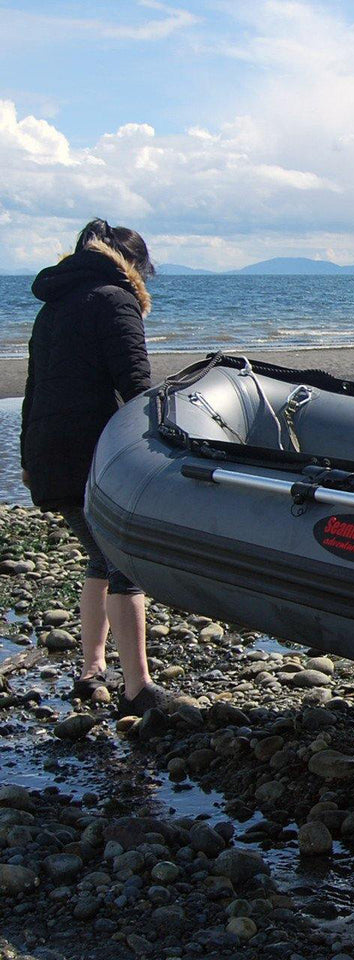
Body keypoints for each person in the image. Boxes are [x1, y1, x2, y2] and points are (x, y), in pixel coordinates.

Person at [21, 218, 168, 715]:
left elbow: (34, 390)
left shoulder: (54, 305)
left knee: (99, 558)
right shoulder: (114, 300)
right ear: (133, 265)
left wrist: (27, 460)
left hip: (48, 453)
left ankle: (91, 672)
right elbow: (136, 385)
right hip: (94, 456)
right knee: (124, 562)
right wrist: (161, 447)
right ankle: (137, 689)